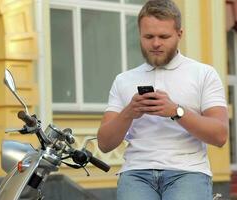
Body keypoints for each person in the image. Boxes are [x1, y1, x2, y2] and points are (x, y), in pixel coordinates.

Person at [97, 0, 229, 199]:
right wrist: (129, 112)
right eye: (148, 36)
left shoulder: (204, 74)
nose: (156, 43)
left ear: (179, 34)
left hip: (188, 171)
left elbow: (219, 136)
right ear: (139, 35)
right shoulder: (123, 80)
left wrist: (176, 111)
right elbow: (104, 144)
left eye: (163, 36)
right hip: (136, 172)